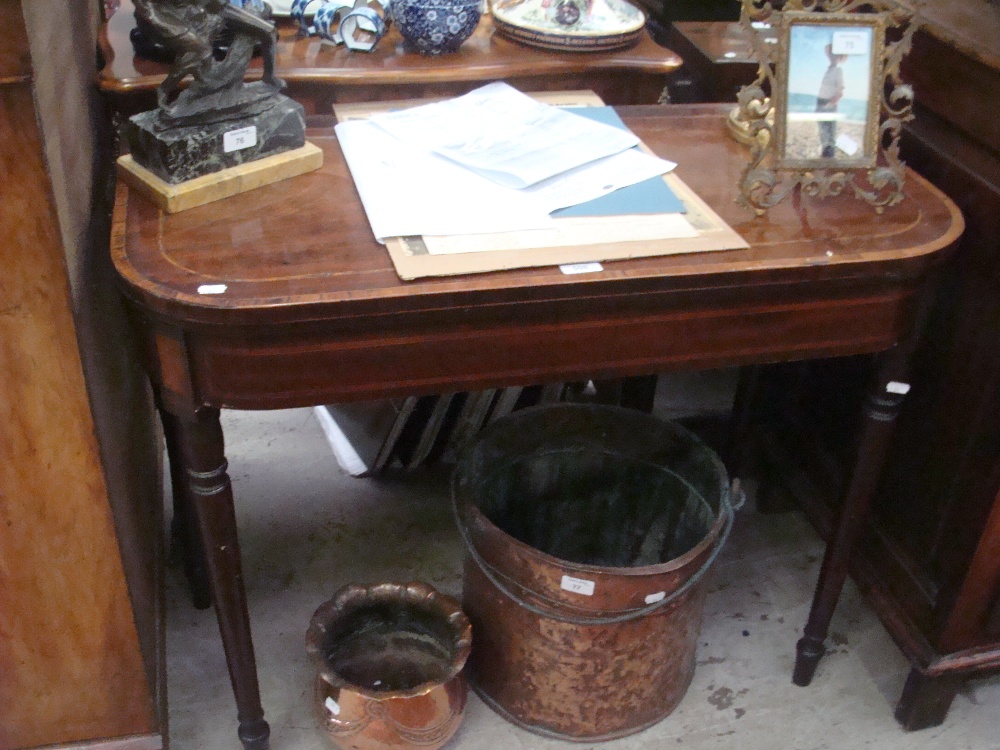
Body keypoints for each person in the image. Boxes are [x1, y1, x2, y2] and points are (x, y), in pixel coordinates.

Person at [815, 43, 847, 158]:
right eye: (832, 54)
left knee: (830, 130)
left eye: (836, 55)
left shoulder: (838, 70)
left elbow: (840, 91)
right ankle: (825, 151)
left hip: (829, 103)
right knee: (822, 129)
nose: (833, 57)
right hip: (820, 101)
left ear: (839, 57)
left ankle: (830, 154)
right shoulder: (828, 70)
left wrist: (830, 103)